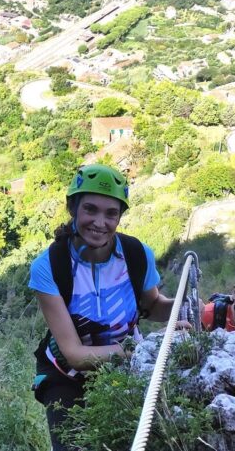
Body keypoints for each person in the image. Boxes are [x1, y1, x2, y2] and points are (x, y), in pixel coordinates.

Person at [29, 164, 178, 451]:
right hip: (66, 376)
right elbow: (75, 355)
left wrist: (186, 308)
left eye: (112, 213)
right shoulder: (49, 266)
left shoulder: (136, 255)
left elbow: (153, 306)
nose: (100, 222)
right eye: (91, 210)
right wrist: (139, 352)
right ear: (73, 208)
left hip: (126, 368)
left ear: (120, 216)